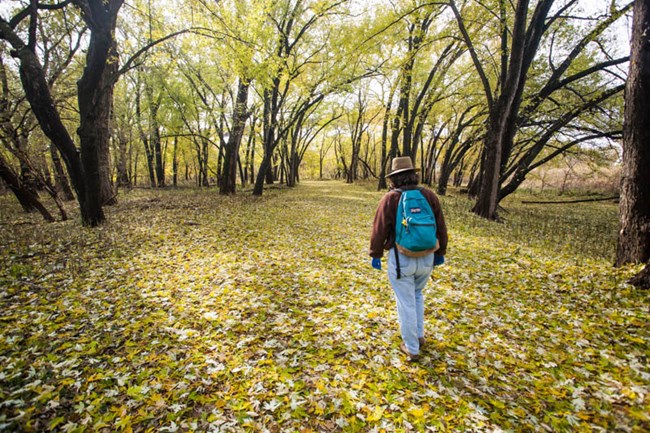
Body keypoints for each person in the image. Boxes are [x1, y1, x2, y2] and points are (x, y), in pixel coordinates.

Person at [369, 156, 448, 361]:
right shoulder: (429, 195)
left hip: (401, 258)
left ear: (394, 178)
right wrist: (441, 253)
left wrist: (375, 254)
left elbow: (380, 229)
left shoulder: (391, 198)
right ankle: (419, 336)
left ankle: (412, 348)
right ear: (413, 174)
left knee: (405, 302)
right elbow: (440, 226)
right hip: (428, 257)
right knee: (417, 295)